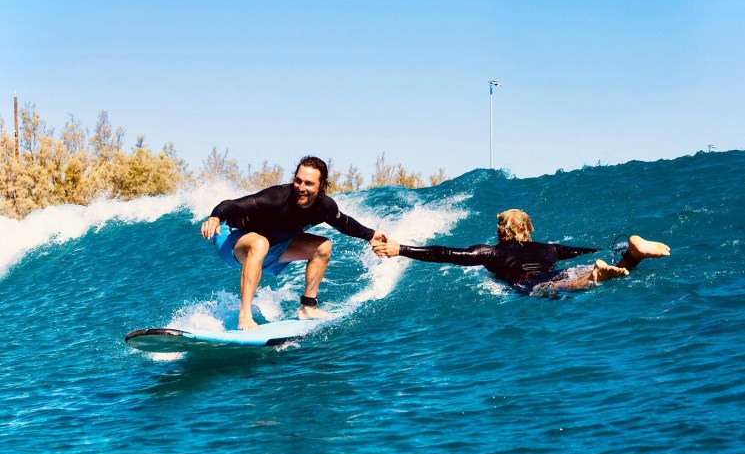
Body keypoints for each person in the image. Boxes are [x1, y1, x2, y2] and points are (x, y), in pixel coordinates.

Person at [201, 156, 384, 329]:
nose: (301, 187)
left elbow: (344, 223)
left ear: (322, 185)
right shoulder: (276, 197)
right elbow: (233, 205)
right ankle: (245, 315)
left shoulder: (324, 207)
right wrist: (215, 217)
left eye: (309, 183)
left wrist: (370, 235)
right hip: (233, 238)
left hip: (272, 247)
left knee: (322, 247)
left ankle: (307, 307)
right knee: (260, 242)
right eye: (298, 180)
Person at [372, 208, 670, 294]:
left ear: (502, 231)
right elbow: (582, 249)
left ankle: (597, 275)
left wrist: (401, 249)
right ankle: (632, 254)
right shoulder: (550, 248)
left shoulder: (490, 252)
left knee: (554, 287)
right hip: (559, 269)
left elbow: (445, 253)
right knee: (581, 275)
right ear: (530, 229)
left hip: (532, 284)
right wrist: (607, 248)